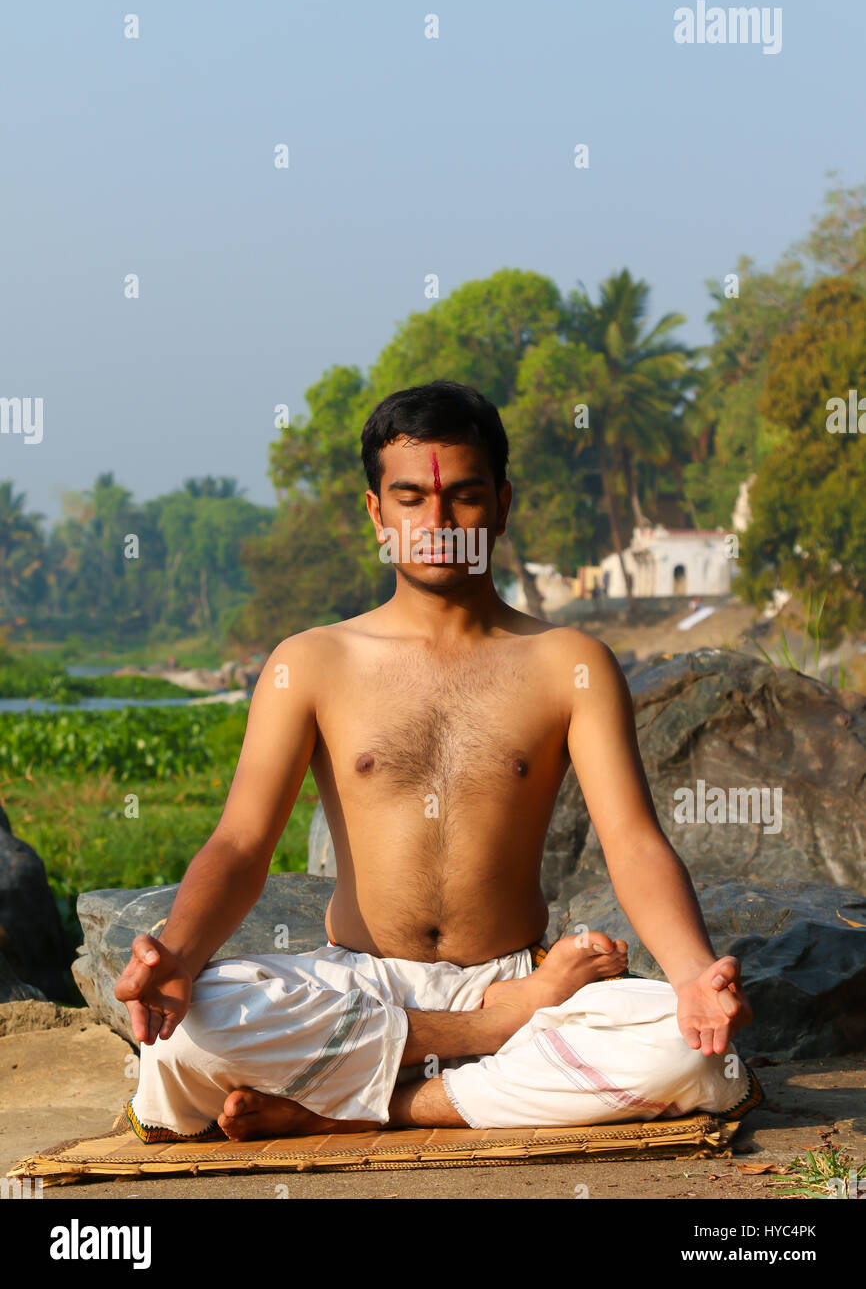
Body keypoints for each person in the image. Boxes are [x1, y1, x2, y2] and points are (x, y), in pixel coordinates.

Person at [115, 380, 760, 1143]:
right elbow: (241, 843)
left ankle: (376, 1107)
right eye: (412, 497)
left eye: (465, 496)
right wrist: (181, 954)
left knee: (689, 1054)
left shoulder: (569, 663)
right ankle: (474, 1047)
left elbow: (633, 841)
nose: (440, 523)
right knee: (191, 1033)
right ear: (376, 513)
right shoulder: (311, 662)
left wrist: (691, 976)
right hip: (360, 982)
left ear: (504, 503)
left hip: (521, 980)